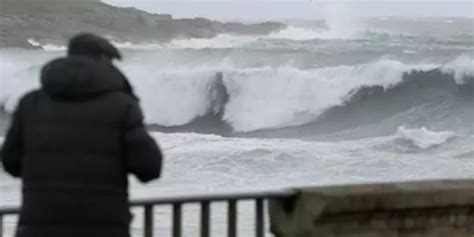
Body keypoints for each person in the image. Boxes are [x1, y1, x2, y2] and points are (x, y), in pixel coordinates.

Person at [1, 33, 163, 237]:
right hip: (102, 229)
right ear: (103, 60)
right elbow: (149, 168)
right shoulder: (121, 105)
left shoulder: (30, 103)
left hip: (39, 228)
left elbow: (11, 163)